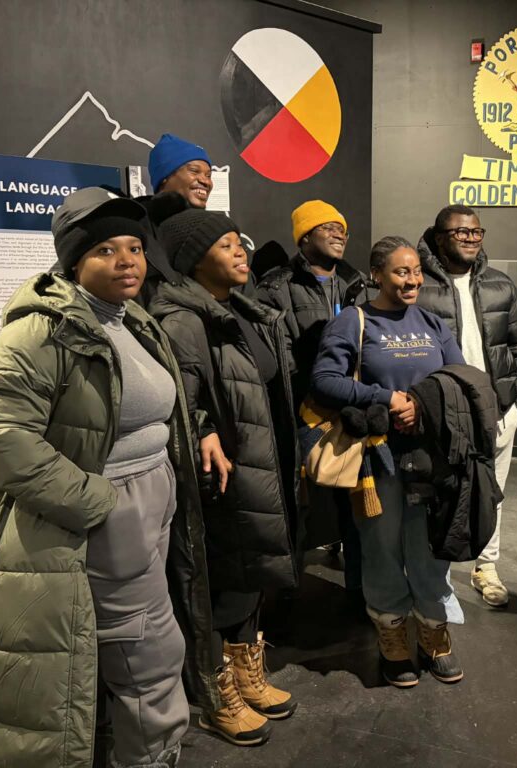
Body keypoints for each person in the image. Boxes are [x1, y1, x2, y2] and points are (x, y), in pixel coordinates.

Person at [0, 188, 216, 768]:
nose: (127, 260)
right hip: (110, 516)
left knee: (144, 646)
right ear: (74, 261)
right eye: (105, 249)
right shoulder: (42, 331)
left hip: (151, 505)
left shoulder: (132, 320)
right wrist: (98, 503)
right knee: (145, 656)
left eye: (133, 246)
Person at [148, 208, 300, 746]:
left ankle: (245, 672)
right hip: (221, 475)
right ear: (194, 260)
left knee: (249, 576)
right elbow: (177, 401)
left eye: (241, 242)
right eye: (227, 244)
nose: (241, 252)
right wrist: (205, 428)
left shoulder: (238, 309)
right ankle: (214, 694)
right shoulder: (185, 320)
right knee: (218, 583)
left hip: (256, 463)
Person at [311, 236, 467, 688]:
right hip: (376, 459)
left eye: (416, 271)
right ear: (377, 275)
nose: (412, 279)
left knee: (429, 546)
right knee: (380, 546)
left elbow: (458, 380)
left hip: (431, 457)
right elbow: (325, 381)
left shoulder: (434, 324)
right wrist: (385, 397)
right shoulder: (353, 322)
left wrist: (423, 404)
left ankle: (433, 628)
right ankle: (392, 633)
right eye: (401, 272)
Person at [415, 204, 517, 607]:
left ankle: (487, 567)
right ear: (438, 237)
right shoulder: (418, 288)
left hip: (498, 412)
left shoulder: (501, 285)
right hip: (445, 417)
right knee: (441, 494)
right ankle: (438, 578)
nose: (470, 238)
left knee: (493, 492)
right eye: (460, 232)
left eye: (476, 232)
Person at [256, 201, 367, 598]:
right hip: (303, 414)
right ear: (304, 237)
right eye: (328, 228)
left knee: (359, 509)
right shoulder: (275, 287)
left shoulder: (359, 283)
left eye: (343, 228)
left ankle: (361, 594)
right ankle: (290, 598)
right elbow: (276, 357)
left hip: (354, 412)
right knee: (299, 508)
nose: (340, 234)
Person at [149, 133, 214, 209]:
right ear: (164, 177)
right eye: (194, 170)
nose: (206, 181)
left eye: (208, 176)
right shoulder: (138, 219)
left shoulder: (212, 220)